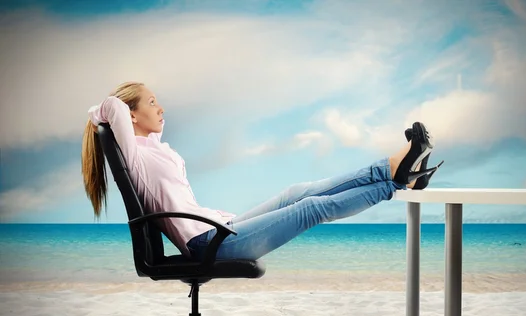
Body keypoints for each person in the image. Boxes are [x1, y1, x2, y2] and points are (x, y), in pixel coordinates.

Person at [82, 81, 443, 262]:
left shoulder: (153, 150)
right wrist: (106, 114)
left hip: (218, 228)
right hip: (206, 245)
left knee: (295, 193)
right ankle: (395, 181)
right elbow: (110, 106)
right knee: (308, 209)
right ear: (129, 116)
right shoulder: (133, 156)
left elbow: (144, 126)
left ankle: (395, 169)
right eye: (151, 102)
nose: (161, 108)